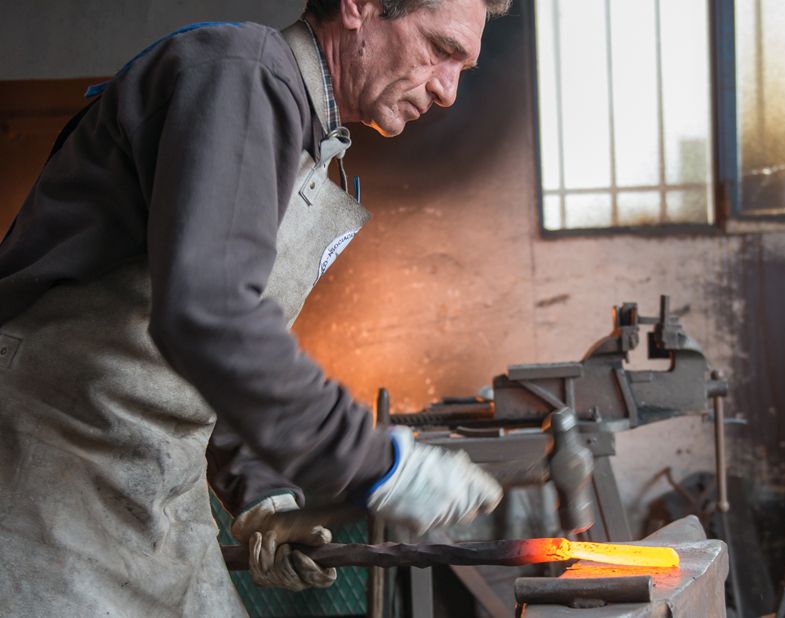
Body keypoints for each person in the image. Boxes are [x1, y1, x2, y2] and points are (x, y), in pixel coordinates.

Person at [0, 0, 509, 615]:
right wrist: (378, 463)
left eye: (464, 66)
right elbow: (209, 315)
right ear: (359, 7)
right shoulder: (238, 74)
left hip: (157, 487)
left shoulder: (308, 140)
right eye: (440, 49)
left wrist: (263, 494)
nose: (449, 90)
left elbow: (208, 358)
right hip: (47, 467)